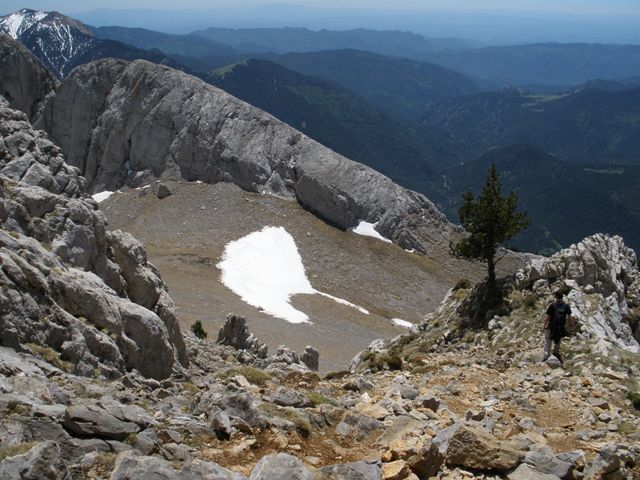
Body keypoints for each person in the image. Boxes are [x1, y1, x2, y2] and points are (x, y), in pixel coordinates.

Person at [542, 290, 572, 362]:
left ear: (556, 297)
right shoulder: (566, 306)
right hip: (560, 327)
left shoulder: (552, 305)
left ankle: (546, 356)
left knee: (547, 340)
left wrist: (544, 326)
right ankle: (556, 353)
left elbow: (548, 317)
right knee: (558, 340)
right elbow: (569, 317)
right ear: (562, 297)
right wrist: (570, 325)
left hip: (551, 326)